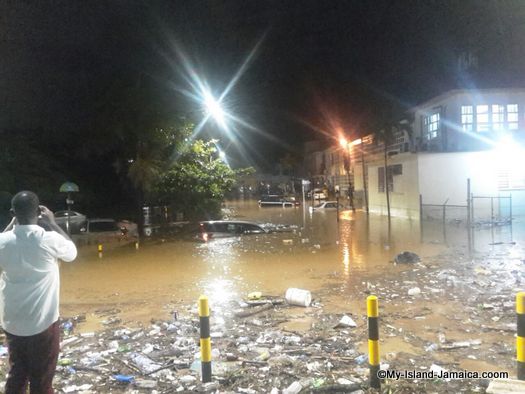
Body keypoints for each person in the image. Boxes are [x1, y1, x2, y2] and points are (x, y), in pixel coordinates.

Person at [0, 191, 77, 394]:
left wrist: (12, 224)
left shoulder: (3, 241)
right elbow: (72, 252)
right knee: (41, 377)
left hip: (12, 321)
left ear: (12, 213)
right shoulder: (48, 239)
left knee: (17, 371)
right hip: (43, 322)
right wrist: (52, 223)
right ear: (38, 212)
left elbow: (4, 238)